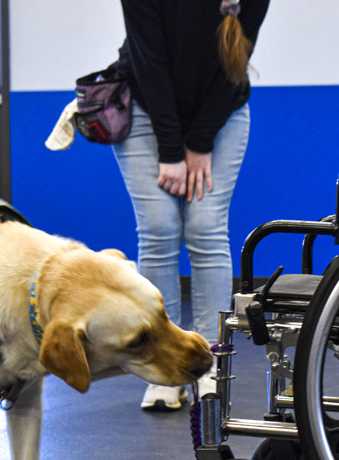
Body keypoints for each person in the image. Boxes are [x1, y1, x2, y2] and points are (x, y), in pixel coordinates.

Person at [112, 0, 270, 410]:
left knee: (205, 227)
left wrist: (199, 142)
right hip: (147, 107)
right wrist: (171, 149)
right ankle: (165, 366)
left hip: (221, 112)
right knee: (159, 227)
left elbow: (234, 68)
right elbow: (151, 63)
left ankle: (211, 364)